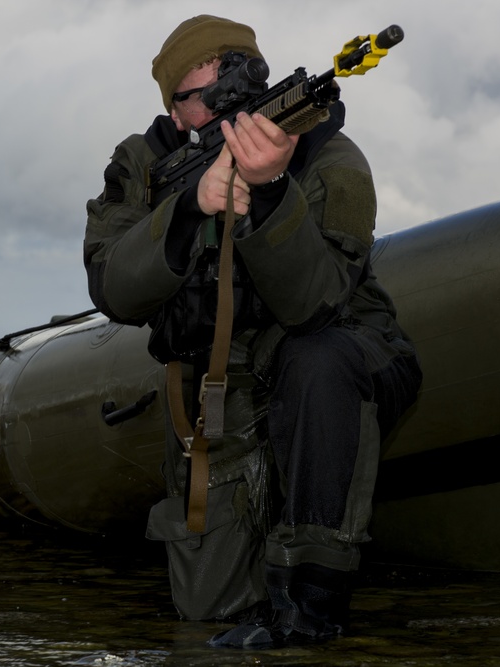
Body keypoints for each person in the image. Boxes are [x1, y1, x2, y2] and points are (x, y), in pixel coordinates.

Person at [83, 15, 422, 649]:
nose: (221, 99)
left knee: (316, 359)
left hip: (336, 356)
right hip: (222, 384)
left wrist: (267, 190)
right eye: (199, 89)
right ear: (178, 110)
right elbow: (112, 289)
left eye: (234, 74)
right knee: (208, 613)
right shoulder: (142, 163)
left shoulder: (328, 156)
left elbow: (315, 305)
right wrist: (191, 209)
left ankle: (313, 605)